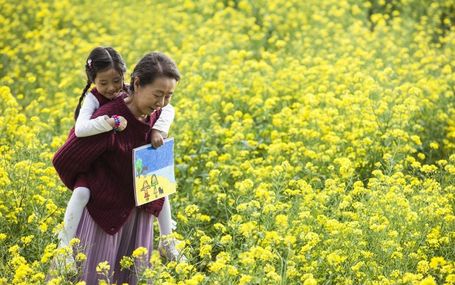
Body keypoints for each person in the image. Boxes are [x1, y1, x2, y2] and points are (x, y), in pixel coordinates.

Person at [53, 51, 183, 284]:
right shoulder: (109, 118)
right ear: (137, 83)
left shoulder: (156, 116)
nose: (161, 103)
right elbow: (65, 157)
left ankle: (168, 242)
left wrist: (159, 130)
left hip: (139, 215)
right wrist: (88, 183)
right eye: (157, 95)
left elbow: (167, 113)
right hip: (105, 216)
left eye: (168, 96)